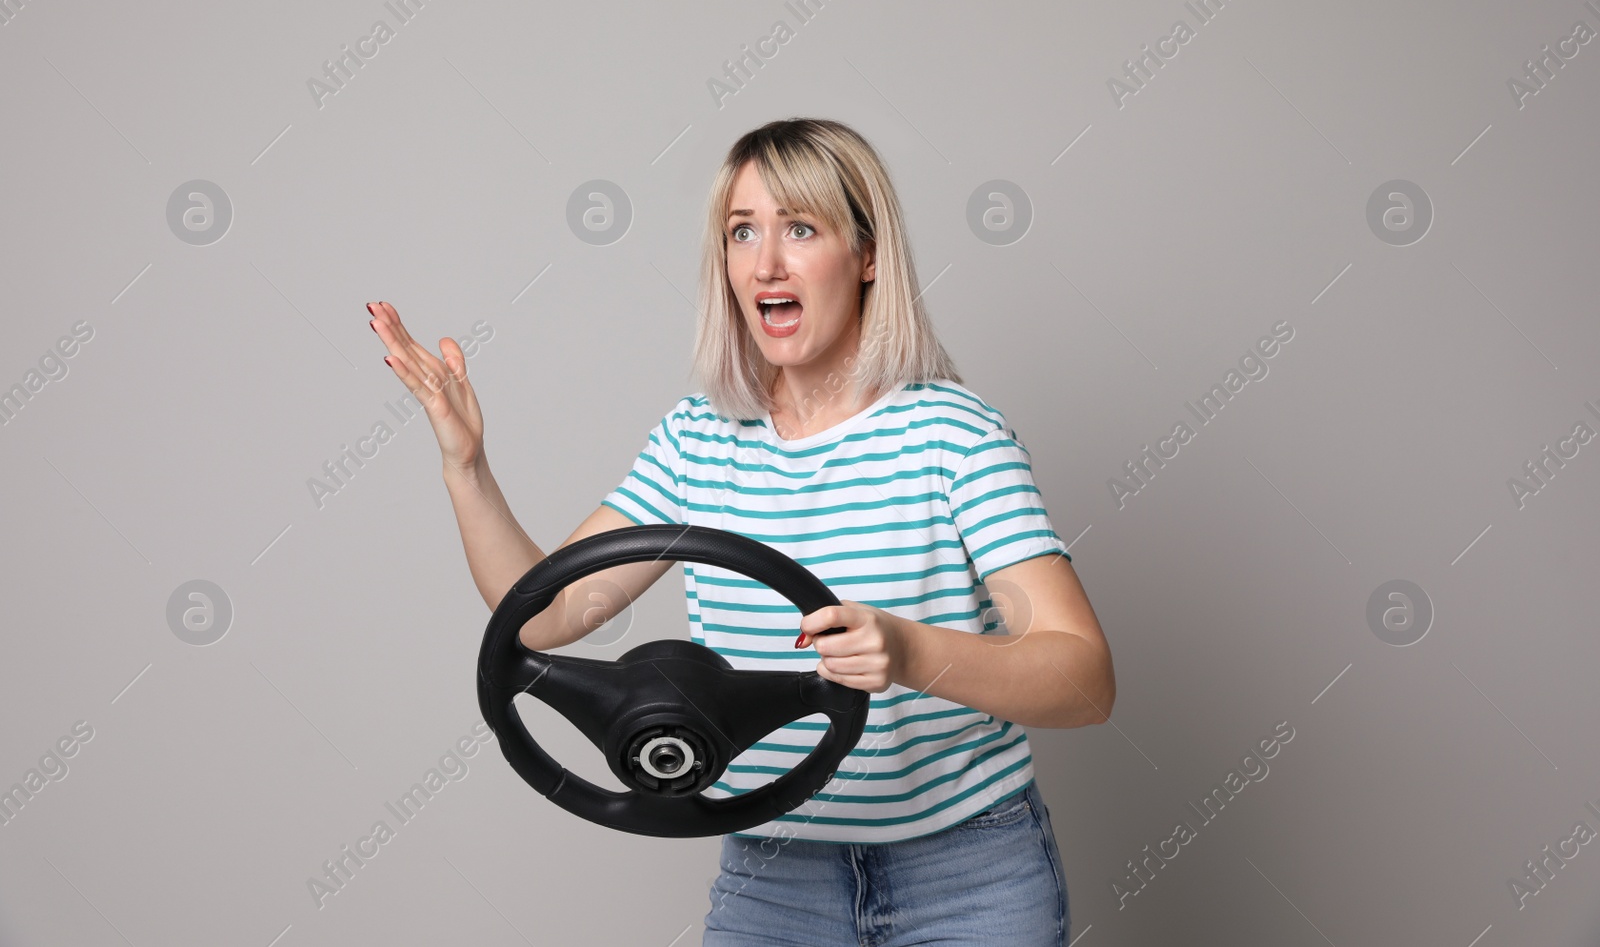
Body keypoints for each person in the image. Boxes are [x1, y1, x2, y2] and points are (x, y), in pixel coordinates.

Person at [368, 117, 1114, 946]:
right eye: (742, 232)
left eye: (800, 228)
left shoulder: (954, 437)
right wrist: (467, 467)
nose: (765, 263)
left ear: (868, 256)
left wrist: (907, 651)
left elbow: (1082, 678)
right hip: (774, 873)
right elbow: (546, 616)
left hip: (969, 875)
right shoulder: (699, 439)